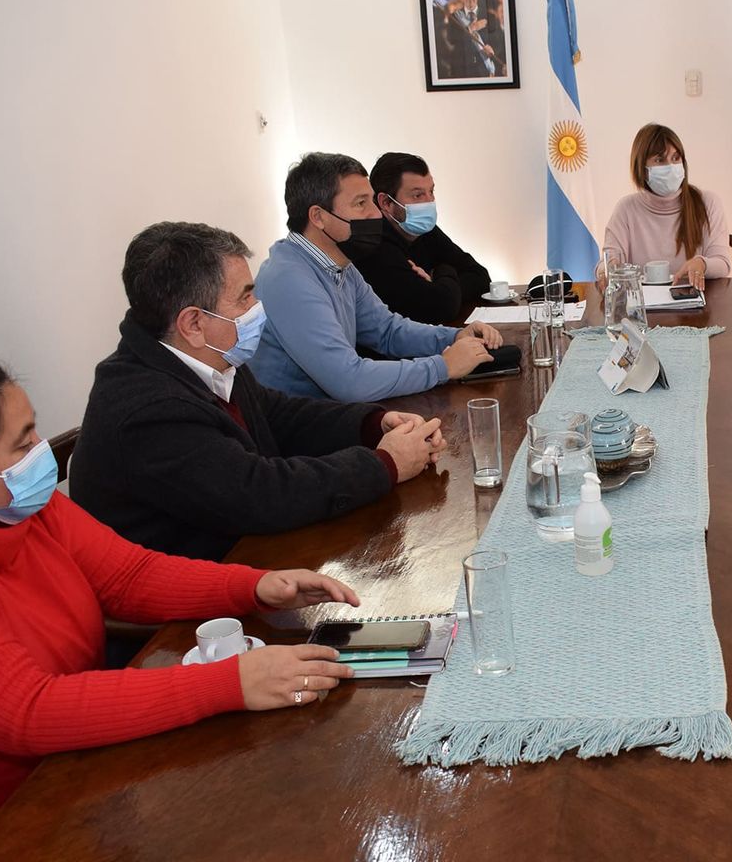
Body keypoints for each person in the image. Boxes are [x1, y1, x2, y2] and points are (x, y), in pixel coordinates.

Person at [0, 353, 360, 862]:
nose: (41, 455)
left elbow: (127, 576)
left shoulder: (11, 508)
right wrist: (226, 684)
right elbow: (21, 712)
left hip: (64, 779)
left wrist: (254, 587)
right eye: (22, 444)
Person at [73, 222, 446, 562]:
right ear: (193, 324)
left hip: (249, 554)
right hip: (193, 614)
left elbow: (279, 415)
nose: (257, 308)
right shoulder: (149, 410)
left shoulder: (207, 359)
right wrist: (385, 465)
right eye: (245, 297)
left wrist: (373, 424)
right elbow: (259, 494)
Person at [248, 152, 502, 402]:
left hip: (334, 416)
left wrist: (454, 337)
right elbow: (348, 381)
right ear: (318, 217)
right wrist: (443, 366)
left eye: (371, 201)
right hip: (300, 433)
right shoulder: (289, 280)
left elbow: (387, 331)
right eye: (361, 203)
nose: (376, 214)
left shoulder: (340, 265)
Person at [342, 152, 492, 325]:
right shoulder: (374, 244)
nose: (430, 202)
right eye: (418, 195)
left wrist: (439, 280)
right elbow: (439, 308)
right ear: (386, 203)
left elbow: (480, 277)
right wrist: (446, 273)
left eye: (431, 192)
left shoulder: (424, 229)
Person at [602, 124, 732, 290]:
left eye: (675, 158)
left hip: (696, 308)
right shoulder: (625, 209)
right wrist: (606, 269)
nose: (670, 167)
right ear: (642, 168)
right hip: (644, 309)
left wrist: (702, 263)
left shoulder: (708, 202)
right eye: (659, 160)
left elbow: (722, 263)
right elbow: (608, 262)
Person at [441, 0, 505, 79]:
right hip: (462, 71)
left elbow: (499, 42)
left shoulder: (490, 17)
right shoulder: (454, 18)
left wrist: (492, 50)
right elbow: (451, 39)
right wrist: (471, 28)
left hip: (484, 70)